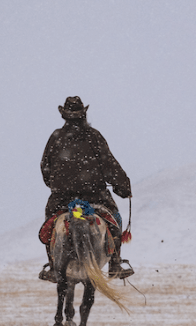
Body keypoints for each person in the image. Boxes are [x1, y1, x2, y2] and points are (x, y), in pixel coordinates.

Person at [39, 96, 134, 281]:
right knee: (115, 219)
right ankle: (115, 263)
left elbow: (45, 167)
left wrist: (57, 185)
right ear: (84, 114)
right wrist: (123, 187)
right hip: (95, 197)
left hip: (62, 199)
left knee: (50, 225)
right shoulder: (94, 136)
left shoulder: (56, 137)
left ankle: (52, 265)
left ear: (64, 116)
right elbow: (110, 166)